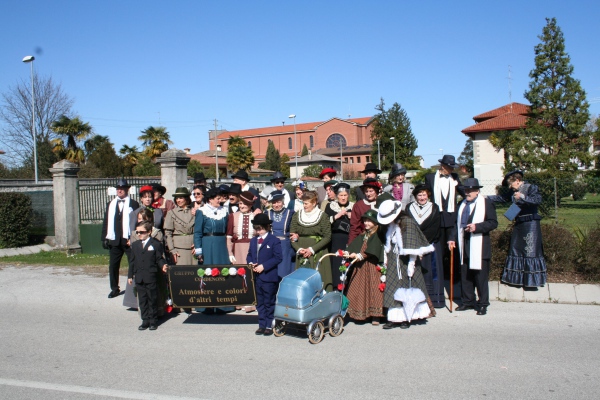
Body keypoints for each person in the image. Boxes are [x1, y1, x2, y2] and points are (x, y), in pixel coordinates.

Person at [377, 199, 436, 329]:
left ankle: (406, 317)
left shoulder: (408, 223)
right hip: (394, 260)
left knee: (407, 287)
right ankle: (393, 318)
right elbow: (389, 244)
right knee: (392, 287)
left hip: (406, 261)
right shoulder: (391, 224)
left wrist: (411, 264)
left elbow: (412, 245)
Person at [487, 170, 547, 287]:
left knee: (530, 251)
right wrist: (486, 197)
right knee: (516, 249)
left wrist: (522, 197)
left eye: (511, 184)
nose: (510, 187)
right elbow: (502, 199)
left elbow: (537, 200)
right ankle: (516, 279)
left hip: (531, 224)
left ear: (517, 181)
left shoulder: (531, 188)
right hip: (519, 223)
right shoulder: (513, 191)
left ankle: (531, 281)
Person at [449, 178, 498, 316]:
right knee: (465, 275)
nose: (467, 193)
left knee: (480, 276)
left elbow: (493, 223)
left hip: (479, 245)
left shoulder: (486, 203)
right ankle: (468, 301)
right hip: (463, 243)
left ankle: (483, 303)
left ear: (477, 191)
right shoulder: (462, 204)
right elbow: (455, 224)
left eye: (470, 190)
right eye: (466, 190)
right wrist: (451, 239)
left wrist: (477, 227)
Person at [424, 155, 465, 282]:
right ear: (443, 166)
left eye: (453, 167)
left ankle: (454, 276)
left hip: (452, 217)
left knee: (453, 248)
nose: (451, 170)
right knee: (439, 250)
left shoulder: (455, 177)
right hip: (437, 217)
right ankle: (438, 277)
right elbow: (426, 195)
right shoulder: (430, 178)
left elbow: (463, 192)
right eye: (449, 167)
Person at [406, 184, 445, 308]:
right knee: (416, 272)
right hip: (414, 245)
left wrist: (424, 244)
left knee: (432, 272)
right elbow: (408, 226)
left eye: (424, 194)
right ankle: (417, 300)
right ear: (415, 196)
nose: (422, 197)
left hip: (430, 244)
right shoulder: (409, 208)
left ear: (428, 195)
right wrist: (416, 244)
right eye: (419, 195)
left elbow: (435, 227)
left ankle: (434, 300)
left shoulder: (434, 208)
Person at [345, 209, 386, 325]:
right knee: (359, 288)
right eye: (365, 221)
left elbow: (373, 250)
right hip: (360, 266)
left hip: (372, 266)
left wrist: (360, 255)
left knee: (374, 289)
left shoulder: (377, 234)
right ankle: (360, 313)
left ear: (375, 222)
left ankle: (376, 316)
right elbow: (354, 246)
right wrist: (349, 253)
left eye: (369, 221)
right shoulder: (364, 234)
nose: (366, 223)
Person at [101, 178, 140, 299]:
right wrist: (104, 237)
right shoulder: (111, 204)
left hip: (128, 240)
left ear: (127, 190)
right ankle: (114, 288)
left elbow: (137, 223)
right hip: (114, 240)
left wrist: (133, 238)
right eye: (118, 189)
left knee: (133, 264)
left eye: (122, 189)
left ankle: (134, 288)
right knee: (113, 266)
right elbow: (106, 222)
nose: (120, 191)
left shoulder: (134, 204)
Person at [127, 221, 168, 331]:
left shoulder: (155, 244)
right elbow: (132, 261)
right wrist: (130, 275)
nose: (139, 234)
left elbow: (159, 258)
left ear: (149, 232)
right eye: (137, 232)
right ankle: (145, 320)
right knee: (142, 299)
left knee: (152, 298)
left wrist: (163, 265)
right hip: (139, 276)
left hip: (150, 275)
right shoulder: (135, 245)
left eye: (142, 232)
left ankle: (153, 320)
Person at [247, 213, 283, 336]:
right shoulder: (253, 241)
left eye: (261, 229)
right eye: (257, 229)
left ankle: (269, 324)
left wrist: (264, 266)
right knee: (260, 302)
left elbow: (278, 258)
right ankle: (261, 324)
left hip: (269, 277)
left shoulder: (274, 240)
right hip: (256, 277)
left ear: (267, 227)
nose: (259, 231)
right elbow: (249, 255)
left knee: (269, 301)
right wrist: (250, 262)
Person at [290, 191, 333, 292]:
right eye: (303, 203)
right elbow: (292, 235)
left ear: (314, 203)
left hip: (318, 252)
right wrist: (299, 249)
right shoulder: (297, 215)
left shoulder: (323, 216)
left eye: (306, 203)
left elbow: (327, 237)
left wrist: (312, 249)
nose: (304, 205)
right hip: (302, 251)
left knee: (318, 278)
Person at [123, 208, 165, 311]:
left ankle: (156, 314)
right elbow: (133, 256)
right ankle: (144, 315)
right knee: (142, 295)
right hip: (140, 268)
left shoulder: (156, 232)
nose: (140, 220)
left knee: (154, 294)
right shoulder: (135, 234)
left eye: (143, 218)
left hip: (152, 266)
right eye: (139, 218)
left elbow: (159, 252)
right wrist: (131, 274)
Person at [324, 182, 353, 289]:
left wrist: (352, 216)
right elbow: (325, 222)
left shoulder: (353, 206)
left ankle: (347, 289)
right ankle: (336, 288)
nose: (343, 198)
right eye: (341, 195)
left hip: (349, 240)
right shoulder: (330, 206)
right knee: (336, 265)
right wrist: (337, 215)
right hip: (335, 241)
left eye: (345, 195)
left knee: (347, 264)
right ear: (336, 195)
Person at [194, 188, 230, 265]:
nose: (220, 200)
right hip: (208, 244)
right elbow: (197, 232)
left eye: (221, 198)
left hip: (222, 244)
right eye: (218, 198)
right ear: (210, 199)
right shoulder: (202, 211)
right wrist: (198, 250)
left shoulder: (224, 211)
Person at [266, 190, 295, 279]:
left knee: (285, 271)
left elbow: (294, 229)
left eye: (278, 202)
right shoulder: (267, 213)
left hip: (285, 245)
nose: (276, 205)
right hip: (271, 245)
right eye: (274, 202)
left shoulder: (290, 213)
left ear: (282, 202)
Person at [163, 187, 195, 266]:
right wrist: (172, 249)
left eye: (181, 198)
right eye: (177, 198)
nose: (178, 200)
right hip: (179, 249)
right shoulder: (171, 213)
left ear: (187, 199)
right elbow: (168, 233)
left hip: (193, 248)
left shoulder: (194, 211)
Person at [226, 191, 256, 265]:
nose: (241, 206)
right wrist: (230, 253)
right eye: (240, 203)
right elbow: (229, 237)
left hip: (253, 250)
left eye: (245, 204)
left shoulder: (256, 216)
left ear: (250, 205)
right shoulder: (233, 216)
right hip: (238, 250)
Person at [348, 178, 381, 244]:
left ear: (376, 191)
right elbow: (354, 227)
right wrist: (350, 245)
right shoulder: (359, 205)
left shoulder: (382, 203)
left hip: (381, 239)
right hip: (364, 241)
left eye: (371, 191)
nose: (368, 194)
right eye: (366, 191)